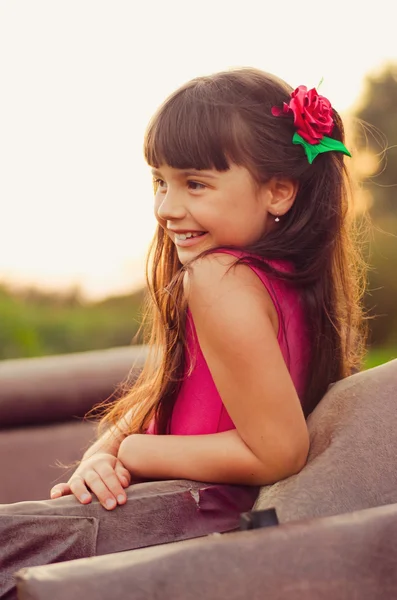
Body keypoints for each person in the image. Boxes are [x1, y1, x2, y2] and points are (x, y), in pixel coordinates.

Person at [50, 68, 366, 511]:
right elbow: (181, 393)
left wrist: (135, 451)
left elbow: (278, 451)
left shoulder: (221, 277)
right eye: (160, 181)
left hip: (190, 522)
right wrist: (105, 449)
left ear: (278, 191)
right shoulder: (293, 281)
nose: (165, 208)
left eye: (195, 184)